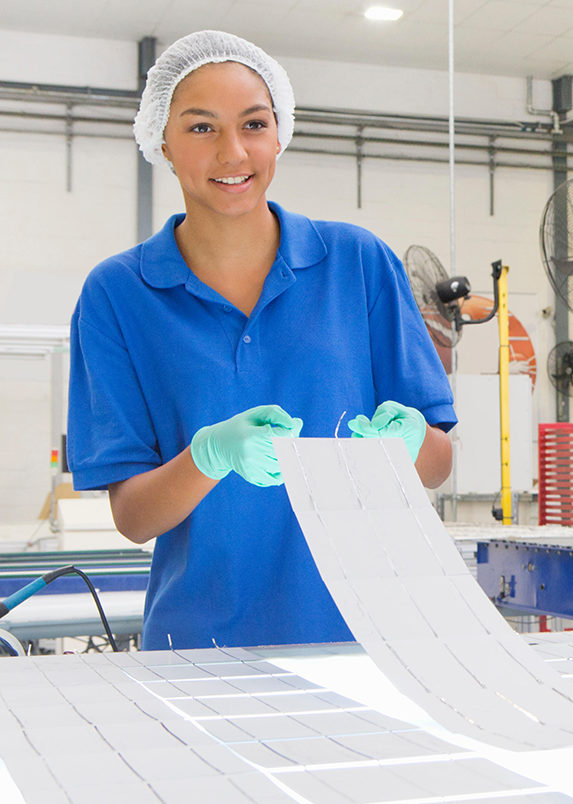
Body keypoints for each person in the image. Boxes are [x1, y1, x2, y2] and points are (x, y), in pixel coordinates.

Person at [67, 31, 456, 650]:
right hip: (200, 644)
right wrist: (207, 458)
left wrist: (410, 441)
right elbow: (133, 517)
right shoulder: (118, 294)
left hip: (371, 637)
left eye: (253, 124)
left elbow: (438, 465)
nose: (233, 152)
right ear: (160, 142)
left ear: (280, 134)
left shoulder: (358, 263)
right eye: (200, 128)